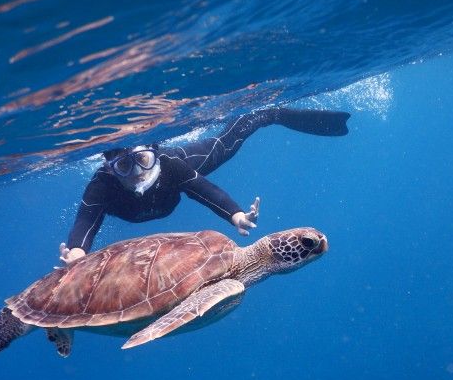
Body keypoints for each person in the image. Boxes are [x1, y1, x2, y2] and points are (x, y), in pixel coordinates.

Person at [59, 107, 350, 264]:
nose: (136, 172)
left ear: (156, 152)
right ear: (110, 169)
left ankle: (270, 113)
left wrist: (236, 215)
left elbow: (205, 191)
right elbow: (86, 221)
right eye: (124, 165)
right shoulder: (101, 186)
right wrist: (76, 254)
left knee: (226, 143)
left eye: (144, 159)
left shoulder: (171, 165)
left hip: (180, 167)